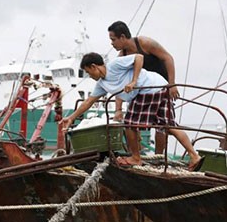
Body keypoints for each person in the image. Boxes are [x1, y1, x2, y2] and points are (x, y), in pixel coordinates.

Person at [60, 52, 202, 169]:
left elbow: (139, 57)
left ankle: (135, 157)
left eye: (88, 72)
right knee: (168, 126)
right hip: (160, 86)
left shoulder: (114, 65)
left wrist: (133, 81)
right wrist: (71, 117)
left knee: (129, 124)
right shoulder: (102, 84)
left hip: (147, 88)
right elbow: (89, 102)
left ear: (93, 66)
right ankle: (194, 155)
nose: (89, 75)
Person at [107, 21, 179, 154]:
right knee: (131, 121)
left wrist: (172, 84)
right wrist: (118, 109)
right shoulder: (122, 57)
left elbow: (168, 58)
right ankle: (135, 154)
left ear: (122, 37)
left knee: (162, 125)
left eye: (113, 40)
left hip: (161, 86)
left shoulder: (144, 43)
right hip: (142, 91)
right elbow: (120, 84)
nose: (112, 44)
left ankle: (158, 156)